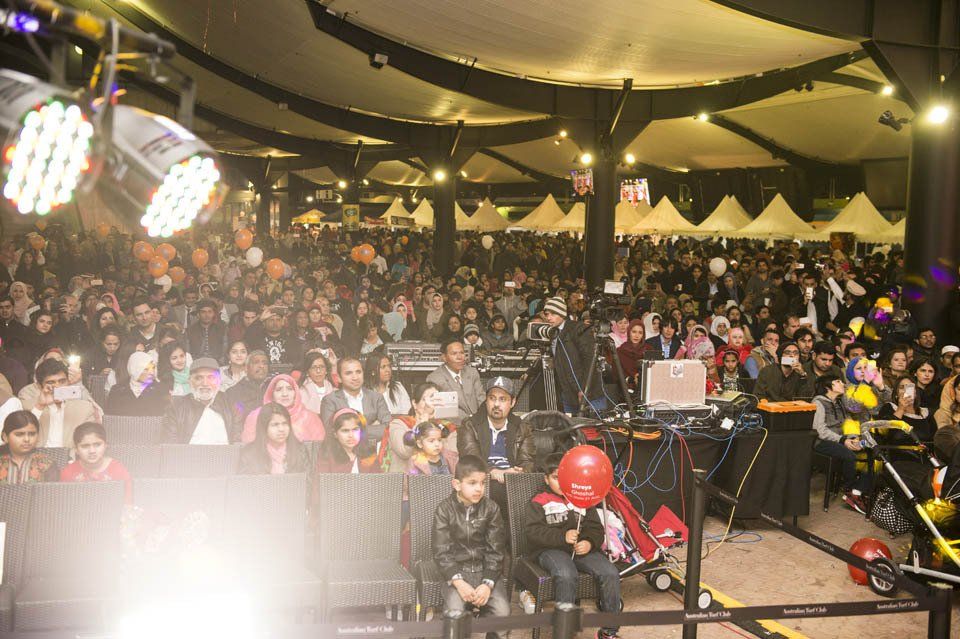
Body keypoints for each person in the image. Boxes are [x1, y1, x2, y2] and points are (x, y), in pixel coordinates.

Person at [525, 452, 622, 639]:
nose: (561, 483)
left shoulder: (582, 498)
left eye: (565, 478)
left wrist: (589, 542)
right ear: (546, 479)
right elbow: (532, 532)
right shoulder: (539, 501)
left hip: (582, 551)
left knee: (610, 573)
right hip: (550, 550)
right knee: (566, 574)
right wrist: (562, 537)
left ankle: (609, 632)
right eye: (555, 478)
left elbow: (596, 529)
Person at [432, 455, 510, 637]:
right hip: (457, 572)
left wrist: (487, 584)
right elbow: (441, 551)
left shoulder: (491, 509)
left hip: (485, 570)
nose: (479, 489)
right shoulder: (444, 510)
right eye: (472, 483)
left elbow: (496, 550)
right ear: (457, 485)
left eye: (483, 483)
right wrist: (459, 583)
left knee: (502, 614)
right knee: (455, 614)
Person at [811, 374, 870, 514]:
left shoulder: (838, 402)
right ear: (827, 387)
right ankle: (849, 489)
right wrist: (843, 440)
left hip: (839, 438)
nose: (842, 383)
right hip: (822, 442)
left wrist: (853, 437)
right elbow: (820, 430)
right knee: (849, 455)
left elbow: (844, 425)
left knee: (871, 452)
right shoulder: (818, 403)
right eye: (837, 381)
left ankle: (858, 490)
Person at [541, 296, 603, 414]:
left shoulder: (578, 329)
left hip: (589, 393)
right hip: (568, 394)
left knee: (592, 430)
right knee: (572, 429)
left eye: (553, 314)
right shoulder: (552, 332)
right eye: (547, 314)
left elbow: (590, 361)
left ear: (562, 314)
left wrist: (584, 389)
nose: (549, 318)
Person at [162, 357, 241, 444]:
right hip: (187, 456)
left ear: (219, 381)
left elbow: (238, 442)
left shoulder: (232, 404)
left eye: (211, 377)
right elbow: (169, 446)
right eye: (199, 378)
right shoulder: (176, 407)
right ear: (190, 381)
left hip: (225, 456)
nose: (205, 383)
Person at [28, 358, 99, 447]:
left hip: (71, 458)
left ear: (68, 381)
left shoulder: (84, 409)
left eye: (62, 381)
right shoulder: (30, 407)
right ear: (39, 386)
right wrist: (40, 406)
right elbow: (24, 436)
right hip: (38, 458)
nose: (57, 386)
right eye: (51, 382)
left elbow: (91, 442)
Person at [320, 357, 392, 440]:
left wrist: (349, 430)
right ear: (339, 378)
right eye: (348, 373)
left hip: (373, 450)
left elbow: (389, 428)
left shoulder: (376, 397)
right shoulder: (330, 400)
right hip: (342, 452)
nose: (355, 377)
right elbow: (331, 432)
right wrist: (374, 427)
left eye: (358, 372)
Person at [241, 373, 325, 443]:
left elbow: (318, 451)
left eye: (289, 389)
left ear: (296, 393)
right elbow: (249, 449)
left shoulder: (310, 417)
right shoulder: (256, 416)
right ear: (271, 394)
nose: (285, 394)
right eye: (279, 389)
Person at [238, 402, 311, 475]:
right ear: (264, 427)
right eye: (275, 425)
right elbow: (244, 484)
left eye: (285, 423)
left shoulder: (300, 450)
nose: (281, 429)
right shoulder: (249, 454)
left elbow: (308, 482)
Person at [60, 422, 132, 494]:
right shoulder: (68, 472)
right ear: (76, 450)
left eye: (97, 445)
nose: (92, 451)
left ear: (105, 446)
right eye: (85, 446)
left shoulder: (118, 470)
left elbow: (128, 502)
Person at [426, 339, 485, 424]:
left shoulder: (472, 373)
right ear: (444, 357)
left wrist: (483, 418)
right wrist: (470, 421)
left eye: (462, 353)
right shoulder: (434, 379)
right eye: (454, 354)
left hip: (479, 421)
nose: (460, 357)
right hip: (455, 424)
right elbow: (446, 411)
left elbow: (481, 398)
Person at [0, 410, 58, 483]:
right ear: (5, 437)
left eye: (32, 434)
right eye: (19, 434)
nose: (27, 439)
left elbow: (53, 493)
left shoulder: (47, 464)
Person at [314, 408, 379, 473]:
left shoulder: (369, 453)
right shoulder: (327, 456)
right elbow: (321, 481)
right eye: (345, 431)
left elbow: (379, 480)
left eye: (355, 429)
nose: (351, 435)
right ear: (335, 434)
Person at [106, 351, 166, 416]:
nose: (152, 372)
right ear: (134, 369)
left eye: (153, 368)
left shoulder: (159, 389)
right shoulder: (117, 390)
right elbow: (110, 419)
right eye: (146, 369)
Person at [224, 350, 270, 421]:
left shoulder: (273, 388)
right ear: (246, 368)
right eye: (256, 362)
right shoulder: (232, 393)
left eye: (265, 363)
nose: (261, 366)